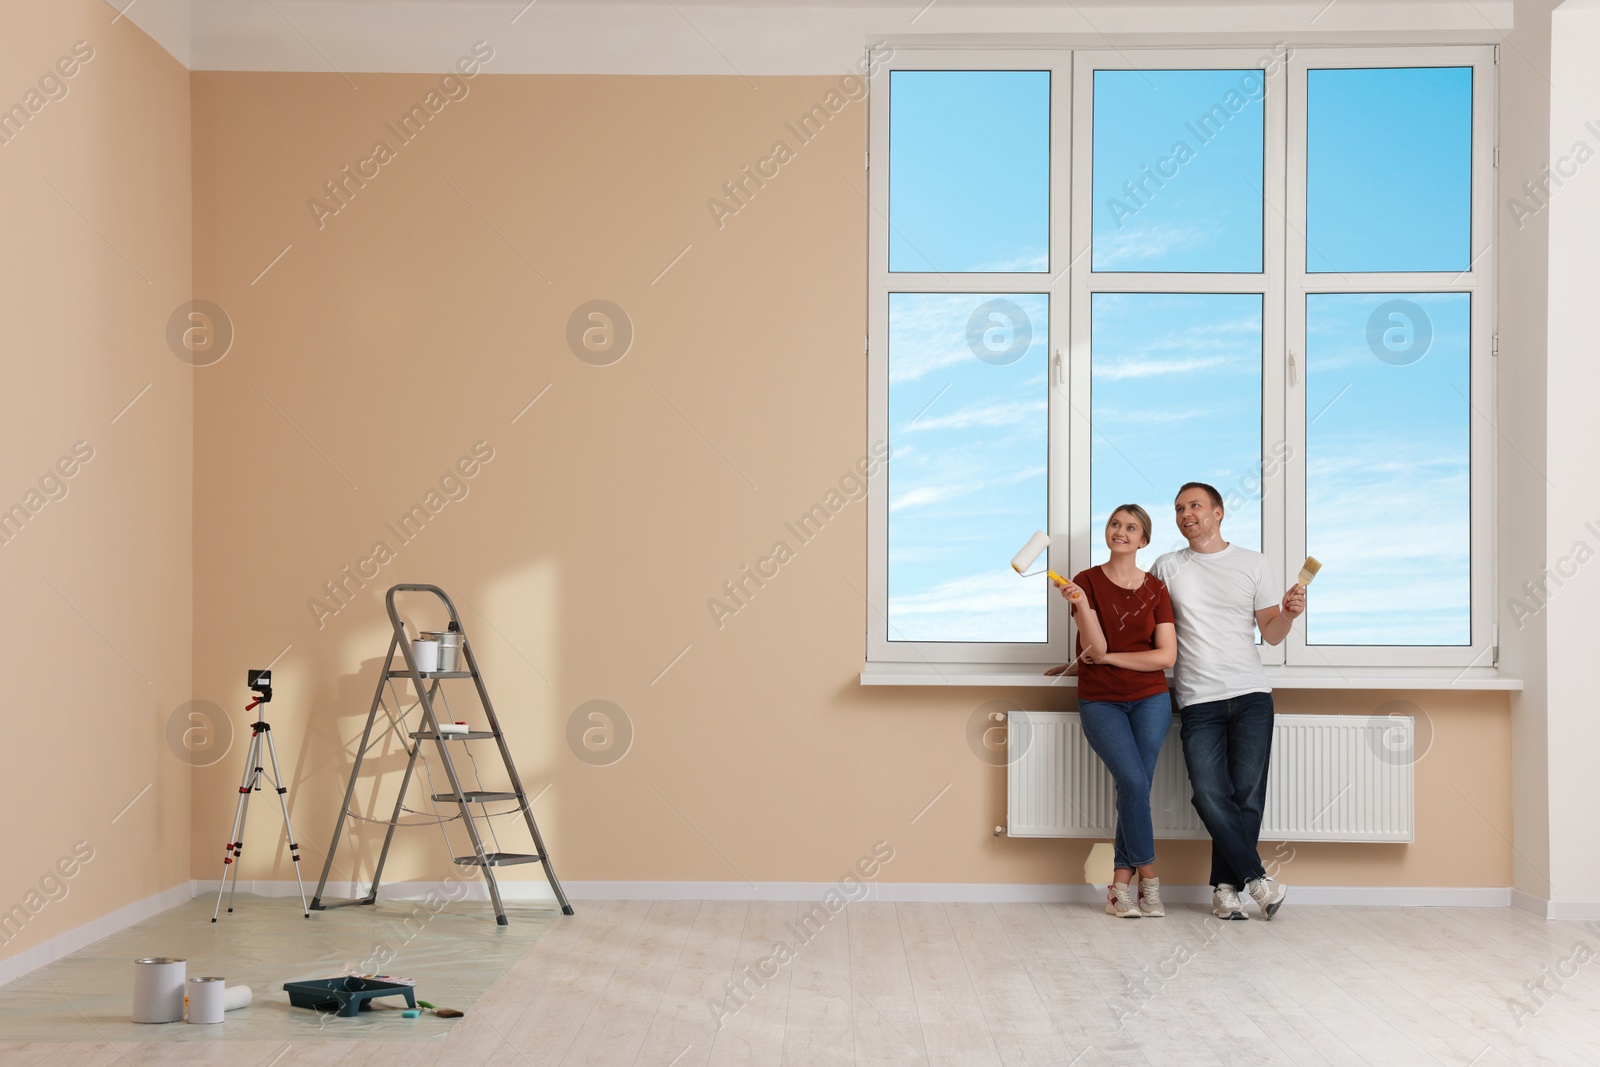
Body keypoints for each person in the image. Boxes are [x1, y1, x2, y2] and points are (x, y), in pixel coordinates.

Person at [1152, 482, 1306, 921]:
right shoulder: (1166, 566)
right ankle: (1257, 878)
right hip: (1198, 699)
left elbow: (1271, 635)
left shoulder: (1253, 563)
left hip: (1252, 695)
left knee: (1247, 796)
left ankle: (1224, 890)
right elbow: (1146, 623)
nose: (1186, 514)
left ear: (1218, 513)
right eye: (1179, 508)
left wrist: (1290, 614)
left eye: (1195, 506)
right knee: (1208, 793)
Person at [1045, 505, 1176, 919]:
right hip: (1101, 701)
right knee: (1135, 785)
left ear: (1144, 540)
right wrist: (1081, 605)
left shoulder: (1156, 589)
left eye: (1131, 527)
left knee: (1134, 788)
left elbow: (1166, 657)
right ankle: (1149, 878)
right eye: (1115, 524)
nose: (1121, 531)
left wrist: (1113, 660)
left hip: (1151, 700)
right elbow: (1095, 649)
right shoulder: (1084, 583)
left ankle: (1120, 886)